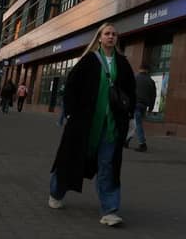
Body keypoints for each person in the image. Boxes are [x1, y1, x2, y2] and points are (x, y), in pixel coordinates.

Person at [48, 23, 136, 227]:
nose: (111, 37)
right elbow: (71, 86)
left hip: (111, 126)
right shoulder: (88, 60)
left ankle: (109, 211)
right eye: (107, 34)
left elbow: (130, 91)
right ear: (99, 38)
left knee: (108, 166)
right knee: (71, 160)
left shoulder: (122, 63)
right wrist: (70, 112)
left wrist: (129, 114)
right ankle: (56, 192)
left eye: (114, 34)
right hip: (84, 124)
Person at [126, 64, 157, 152]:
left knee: (135, 124)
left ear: (140, 69)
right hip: (143, 106)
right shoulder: (151, 81)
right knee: (136, 124)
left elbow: (129, 91)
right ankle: (126, 141)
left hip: (135, 104)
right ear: (147, 70)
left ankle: (142, 144)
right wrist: (151, 108)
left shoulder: (135, 78)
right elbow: (153, 96)